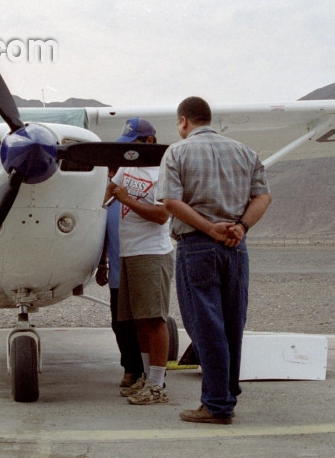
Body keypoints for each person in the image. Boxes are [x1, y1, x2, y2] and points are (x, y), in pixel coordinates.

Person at [157, 96, 271, 424]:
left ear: (183, 121)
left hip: (197, 246)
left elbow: (169, 201)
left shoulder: (177, 153)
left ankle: (217, 404)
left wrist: (210, 228)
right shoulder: (244, 152)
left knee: (205, 325)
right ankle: (226, 393)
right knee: (233, 323)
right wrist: (241, 226)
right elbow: (263, 195)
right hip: (236, 247)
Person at [104, 117, 174, 405]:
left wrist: (126, 199)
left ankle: (157, 384)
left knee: (155, 320)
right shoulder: (127, 167)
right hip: (129, 252)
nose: (128, 151)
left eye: (133, 145)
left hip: (151, 252)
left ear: (149, 142)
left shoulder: (164, 173)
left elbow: (161, 215)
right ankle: (146, 376)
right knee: (139, 321)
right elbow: (108, 193)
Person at [97, 167, 144, 388]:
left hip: (141, 267)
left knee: (146, 322)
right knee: (120, 323)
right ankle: (131, 368)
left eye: (114, 170)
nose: (110, 174)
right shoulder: (108, 199)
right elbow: (101, 232)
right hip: (117, 271)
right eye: (109, 171)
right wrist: (102, 264)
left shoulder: (135, 193)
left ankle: (149, 370)